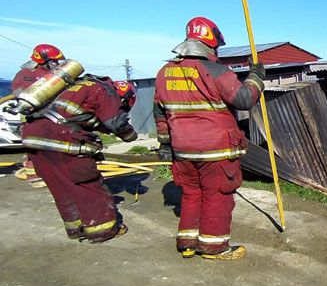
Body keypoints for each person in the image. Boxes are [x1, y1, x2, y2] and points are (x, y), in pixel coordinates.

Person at [154, 16, 264, 260]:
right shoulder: (215, 71)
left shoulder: (164, 72)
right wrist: (256, 76)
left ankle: (187, 243)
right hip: (215, 151)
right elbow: (244, 99)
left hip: (182, 151)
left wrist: (164, 144)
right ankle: (215, 248)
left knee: (192, 194)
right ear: (211, 43)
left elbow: (159, 111)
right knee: (218, 196)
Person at [22, 76, 138, 242]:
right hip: (60, 136)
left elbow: (86, 119)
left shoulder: (76, 86)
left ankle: (75, 228)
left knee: (61, 185)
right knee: (87, 184)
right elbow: (116, 123)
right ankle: (102, 230)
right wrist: (130, 135)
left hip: (33, 135)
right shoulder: (105, 91)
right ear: (124, 97)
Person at [12, 44, 67, 186]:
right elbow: (20, 92)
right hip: (32, 115)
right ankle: (34, 173)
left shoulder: (55, 73)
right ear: (42, 59)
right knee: (35, 145)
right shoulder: (27, 74)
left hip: (52, 113)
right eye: (54, 61)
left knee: (55, 143)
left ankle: (56, 172)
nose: (56, 64)